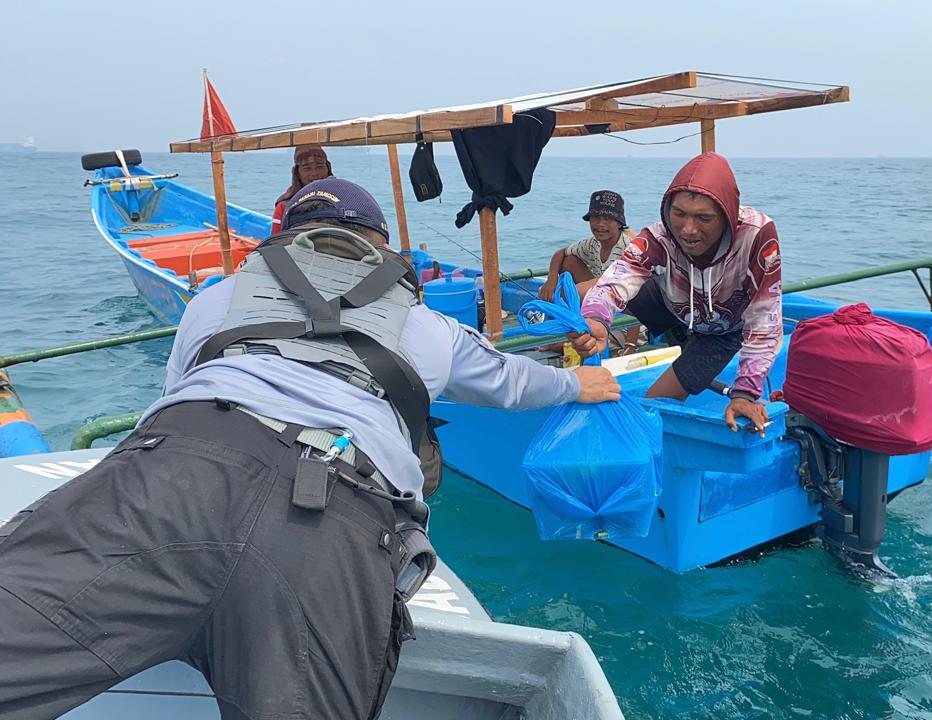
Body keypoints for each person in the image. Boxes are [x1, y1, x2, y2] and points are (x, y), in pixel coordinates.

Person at [0, 177, 620, 720]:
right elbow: (512, 381)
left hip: (175, 470)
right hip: (333, 516)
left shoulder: (216, 299)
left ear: (282, 243)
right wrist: (577, 382)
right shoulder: (430, 327)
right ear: (380, 248)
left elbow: (174, 397)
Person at [571, 153, 781, 437]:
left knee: (654, 405)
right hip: (671, 302)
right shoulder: (659, 237)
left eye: (704, 218)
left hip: (721, 330)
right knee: (585, 294)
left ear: (727, 215)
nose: (688, 229)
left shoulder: (757, 235)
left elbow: (764, 319)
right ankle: (585, 376)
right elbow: (614, 282)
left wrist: (745, 392)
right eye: (679, 214)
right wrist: (597, 320)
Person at [539, 190, 641, 353]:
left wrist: (631, 345)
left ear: (620, 223)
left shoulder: (629, 249)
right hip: (602, 300)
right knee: (570, 260)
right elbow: (561, 253)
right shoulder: (593, 244)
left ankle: (565, 343)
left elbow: (637, 298)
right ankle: (574, 327)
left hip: (627, 318)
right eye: (595, 218)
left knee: (592, 342)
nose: (600, 224)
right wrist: (551, 279)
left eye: (607, 219)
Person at [269, 144, 333, 233]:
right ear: (297, 173)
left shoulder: (342, 198)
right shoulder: (284, 207)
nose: (314, 173)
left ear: (328, 168)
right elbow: (275, 242)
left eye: (319, 166)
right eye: (307, 168)